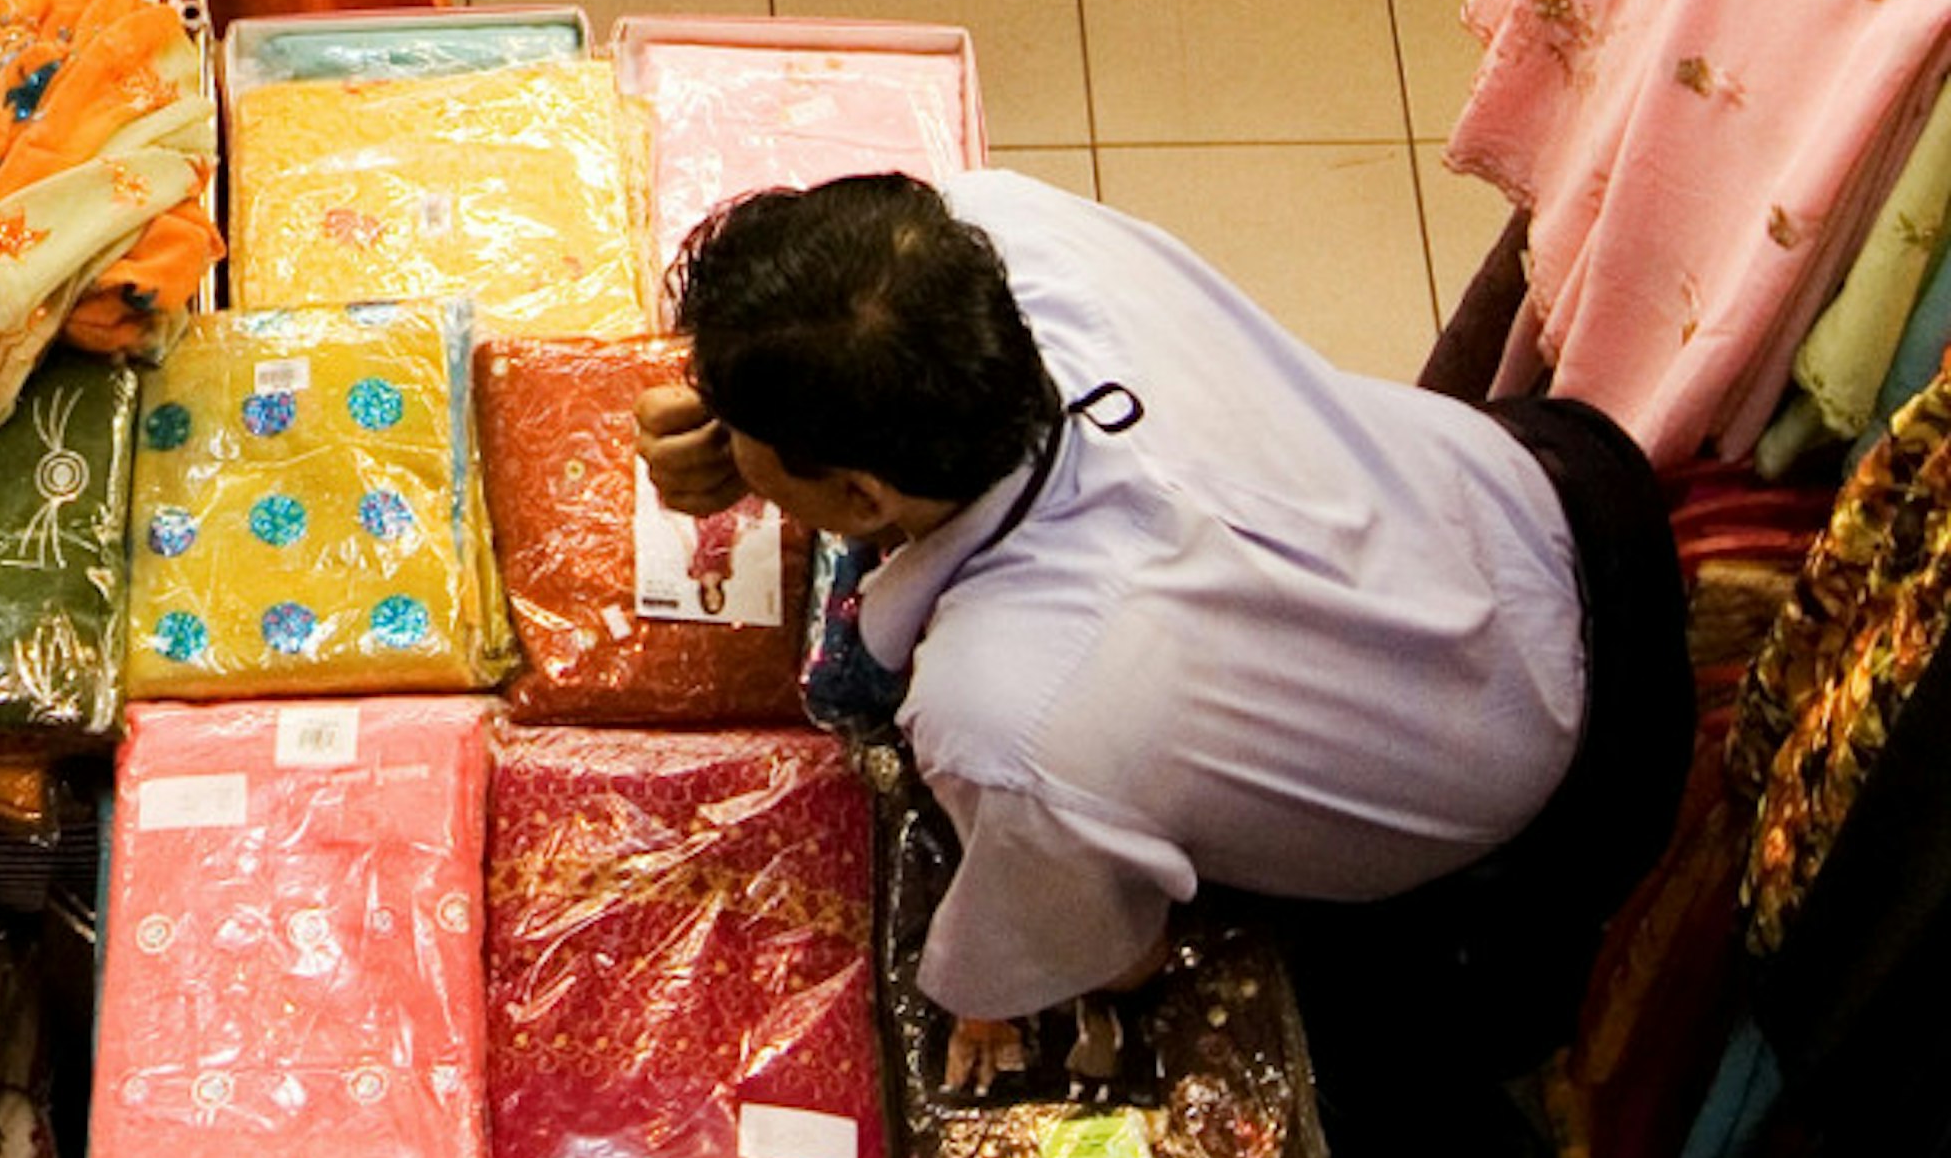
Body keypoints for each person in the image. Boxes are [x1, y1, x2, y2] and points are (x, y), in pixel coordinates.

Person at [637, 166, 1690, 1106]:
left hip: (1558, 770)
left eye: (748, 435)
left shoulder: (1008, 712)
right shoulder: (995, 221)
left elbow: (1110, 954)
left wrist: (1004, 979)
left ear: (863, 494)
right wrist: (757, 434)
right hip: (1539, 494)